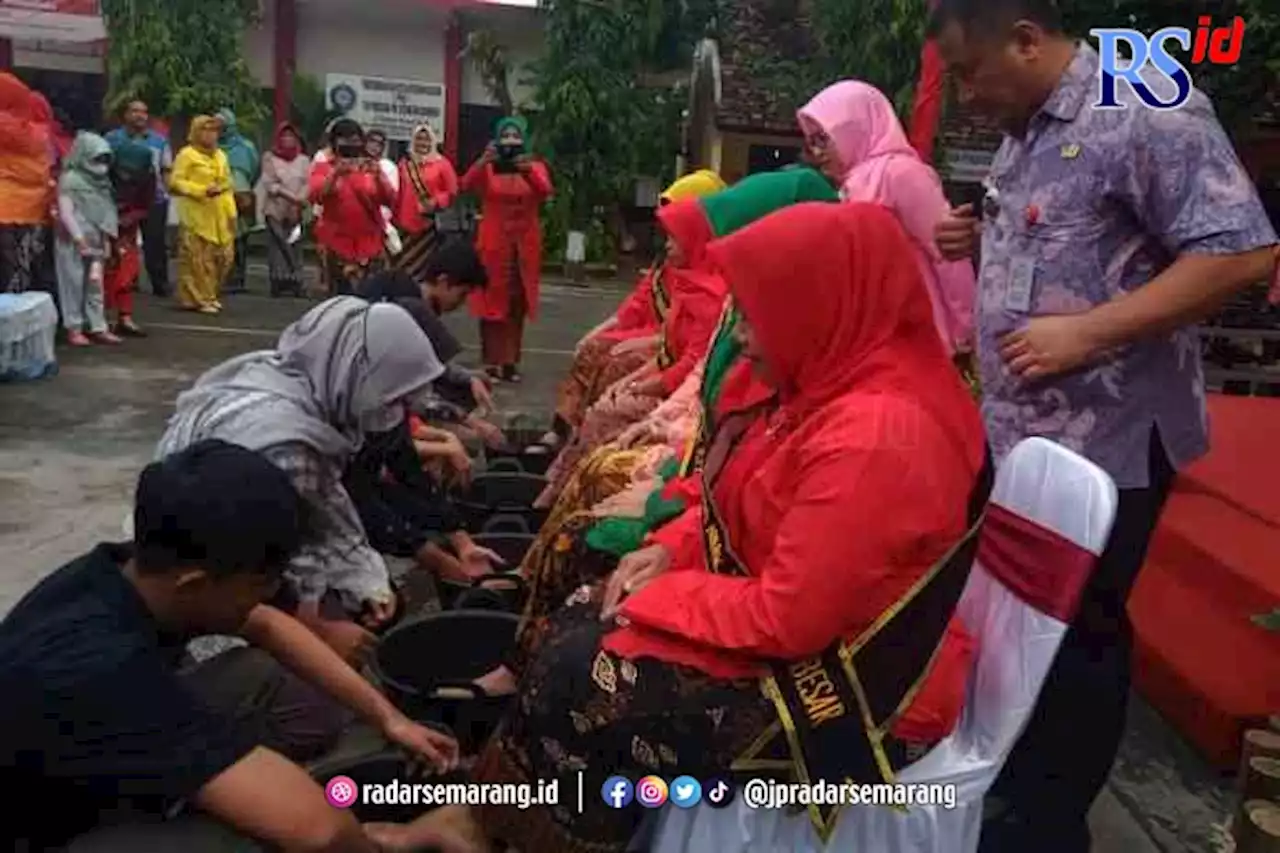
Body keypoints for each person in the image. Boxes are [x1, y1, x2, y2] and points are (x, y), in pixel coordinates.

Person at [372, 202, 990, 853]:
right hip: (815, 627)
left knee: (589, 674)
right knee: (582, 612)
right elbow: (736, 498)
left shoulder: (877, 432)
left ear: (823, 304)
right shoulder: (830, 383)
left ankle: (520, 832)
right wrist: (673, 548)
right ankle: (494, 818)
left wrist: (663, 599)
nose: (743, 338)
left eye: (756, 316)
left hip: (861, 680)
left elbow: (791, 616)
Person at [925, 2, 1280, 850]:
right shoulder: (1026, 128)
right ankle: (1007, 776)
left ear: (1026, 38)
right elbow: (1075, 242)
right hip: (1021, 430)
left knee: (1079, 628)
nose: (966, 96)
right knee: (1016, 618)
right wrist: (972, 238)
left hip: (1109, 435)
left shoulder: (1144, 106)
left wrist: (1089, 331)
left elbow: (1242, 250)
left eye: (970, 72)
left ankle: (1048, 822)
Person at [0, 440, 469, 853]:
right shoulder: (100, 669)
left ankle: (216, 790)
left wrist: (390, 718)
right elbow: (319, 833)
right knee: (257, 837)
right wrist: (397, 840)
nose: (267, 598)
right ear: (195, 584)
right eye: (257, 585)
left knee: (266, 682)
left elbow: (264, 625)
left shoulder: (130, 567)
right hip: (42, 830)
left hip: (84, 758)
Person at [155, 297, 446, 664]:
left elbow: (325, 500)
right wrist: (320, 629)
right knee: (336, 657)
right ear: (355, 373)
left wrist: (365, 579)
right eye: (388, 396)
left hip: (222, 557)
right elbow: (261, 569)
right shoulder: (284, 443)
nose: (391, 412)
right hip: (209, 593)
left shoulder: (286, 376)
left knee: (370, 601)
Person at [536, 196, 728, 506]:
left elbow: (691, 364)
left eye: (673, 237)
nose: (666, 245)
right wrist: (632, 374)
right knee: (604, 372)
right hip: (669, 378)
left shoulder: (708, 294)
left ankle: (567, 488)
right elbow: (656, 331)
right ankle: (565, 471)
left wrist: (643, 385)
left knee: (609, 401)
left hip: (682, 400)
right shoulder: (685, 278)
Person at [798, 78, 975, 356]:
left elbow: (948, 255)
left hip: (916, 332)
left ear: (854, 126)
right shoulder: (851, 184)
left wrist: (966, 330)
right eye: (811, 144)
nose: (818, 152)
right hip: (870, 335)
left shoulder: (901, 173)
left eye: (823, 139)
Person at [461, 115, 553, 383]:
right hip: (494, 244)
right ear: (497, 140)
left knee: (517, 305)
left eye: (515, 137)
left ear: (523, 141)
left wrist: (528, 171)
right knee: (490, 303)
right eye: (506, 137)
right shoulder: (488, 166)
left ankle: (511, 362)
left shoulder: (534, 165)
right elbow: (465, 186)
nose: (510, 141)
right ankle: (491, 362)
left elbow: (546, 191)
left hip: (524, 246)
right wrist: (482, 161)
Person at [310, 119, 398, 296]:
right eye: (345, 142)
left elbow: (389, 199)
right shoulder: (324, 166)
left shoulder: (371, 167)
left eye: (355, 141)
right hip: (337, 244)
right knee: (340, 297)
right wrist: (335, 174)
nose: (351, 146)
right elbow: (316, 196)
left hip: (370, 243)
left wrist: (379, 175)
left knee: (370, 297)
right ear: (335, 142)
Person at [55, 132, 121, 347]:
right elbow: (66, 213)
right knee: (72, 285)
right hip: (73, 242)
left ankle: (98, 326)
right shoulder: (70, 179)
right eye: (96, 158)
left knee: (95, 285)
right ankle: (74, 328)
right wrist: (79, 239)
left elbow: (106, 212)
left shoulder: (102, 182)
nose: (101, 164)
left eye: (104, 159)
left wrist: (108, 239)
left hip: (97, 242)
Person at [105, 99, 174, 297]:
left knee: (156, 242)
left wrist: (168, 192)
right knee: (123, 242)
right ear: (125, 114)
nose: (140, 115)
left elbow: (167, 169)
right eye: (135, 111)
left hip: (154, 198)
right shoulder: (112, 139)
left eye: (144, 112)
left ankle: (160, 284)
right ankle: (126, 282)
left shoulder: (159, 141)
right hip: (122, 200)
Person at [169, 115, 237, 314]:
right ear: (196, 132)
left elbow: (227, 181)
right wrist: (200, 190)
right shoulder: (187, 155)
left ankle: (210, 294)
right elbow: (175, 182)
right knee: (196, 260)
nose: (210, 135)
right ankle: (196, 299)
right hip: (196, 214)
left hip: (221, 213)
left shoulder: (221, 156)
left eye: (214, 130)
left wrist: (231, 211)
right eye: (205, 130)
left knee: (223, 258)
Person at [0, 73, 53, 294]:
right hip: (35, 211)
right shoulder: (42, 135)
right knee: (26, 269)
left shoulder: (6, 126)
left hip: (5, 206)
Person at [104, 135, 157, 336]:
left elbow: (146, 205)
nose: (127, 176)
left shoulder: (148, 176)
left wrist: (129, 218)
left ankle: (124, 317)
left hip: (127, 226)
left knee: (127, 270)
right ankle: (101, 318)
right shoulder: (104, 170)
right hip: (102, 225)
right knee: (104, 272)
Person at [394, 122, 458, 283]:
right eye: (419, 139)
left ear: (433, 141)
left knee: (423, 267)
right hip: (404, 224)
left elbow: (452, 191)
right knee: (402, 265)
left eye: (426, 139)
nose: (423, 143)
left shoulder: (442, 164)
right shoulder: (404, 164)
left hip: (427, 225)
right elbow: (396, 191)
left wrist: (435, 201)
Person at [259, 122, 311, 297]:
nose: (287, 139)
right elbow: (270, 183)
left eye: (291, 136)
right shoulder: (269, 157)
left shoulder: (304, 160)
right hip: (275, 208)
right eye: (284, 136)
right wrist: (291, 197)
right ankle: (278, 281)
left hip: (296, 210)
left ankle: (296, 282)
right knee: (278, 244)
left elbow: (307, 183)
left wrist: (299, 201)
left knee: (294, 244)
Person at [214, 108, 261, 294]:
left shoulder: (246, 147)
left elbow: (255, 170)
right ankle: (219, 278)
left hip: (241, 198)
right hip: (217, 199)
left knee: (240, 238)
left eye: (222, 125)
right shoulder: (211, 147)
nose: (218, 129)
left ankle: (238, 279)